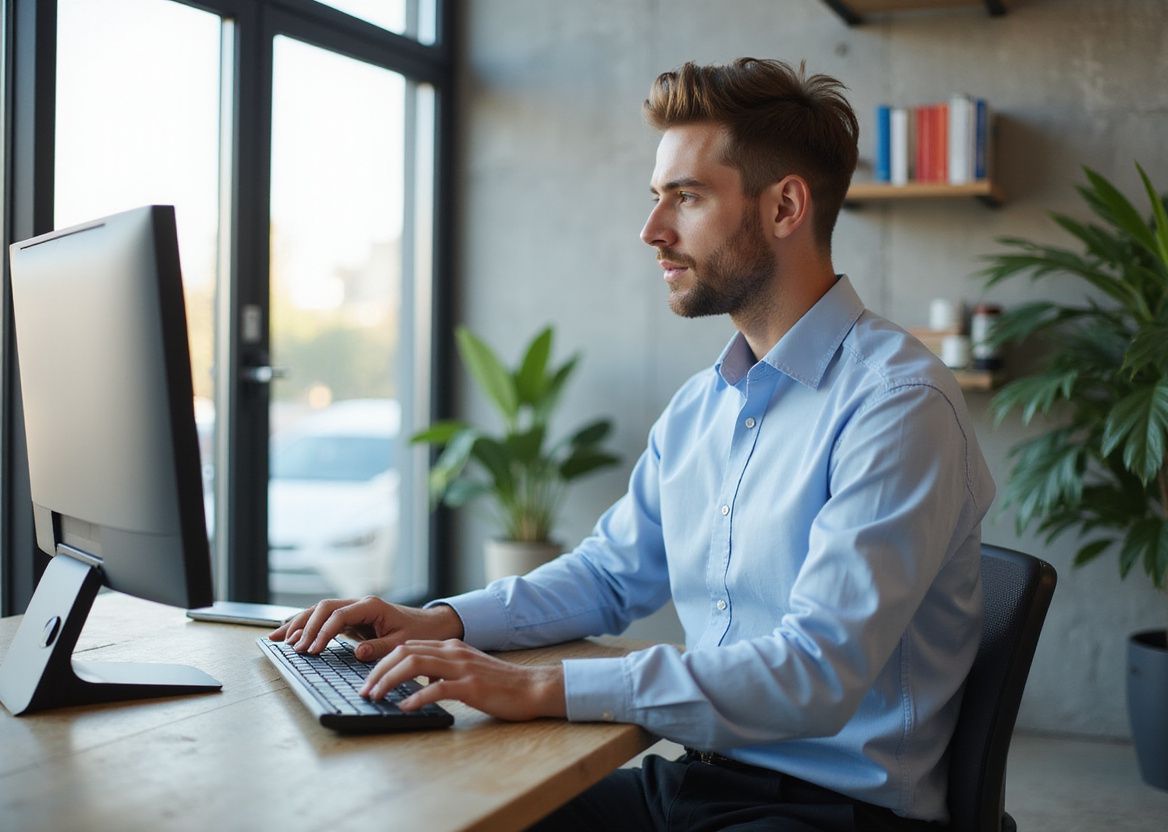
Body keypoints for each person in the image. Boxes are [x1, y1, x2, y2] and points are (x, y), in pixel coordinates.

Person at [271, 57, 994, 831]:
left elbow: (817, 673)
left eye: (686, 197)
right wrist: (440, 621)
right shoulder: (701, 407)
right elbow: (610, 576)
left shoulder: (896, 403)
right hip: (700, 778)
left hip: (834, 812)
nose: (652, 230)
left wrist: (541, 687)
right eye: (657, 198)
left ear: (785, 206)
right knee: (432, 810)